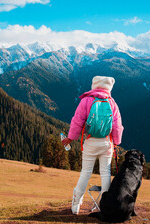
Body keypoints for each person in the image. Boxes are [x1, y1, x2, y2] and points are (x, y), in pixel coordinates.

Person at [62, 76, 124, 215]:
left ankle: (76, 205)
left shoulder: (86, 100)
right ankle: (105, 205)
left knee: (85, 173)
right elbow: (117, 125)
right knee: (105, 173)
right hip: (107, 142)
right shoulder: (112, 102)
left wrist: (71, 138)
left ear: (94, 85)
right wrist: (116, 142)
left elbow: (77, 120)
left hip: (90, 141)